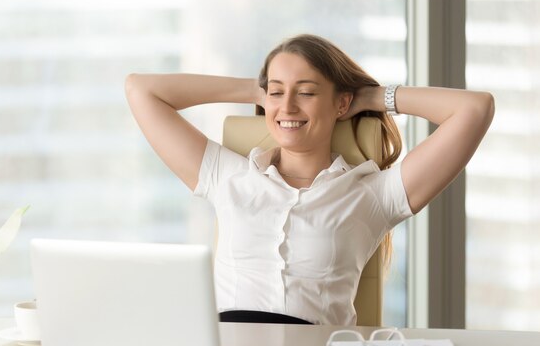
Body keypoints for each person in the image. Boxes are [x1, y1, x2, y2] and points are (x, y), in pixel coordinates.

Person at [125, 34, 494, 326]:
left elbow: (474, 109)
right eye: (276, 92)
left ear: (340, 104)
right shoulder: (228, 176)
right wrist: (254, 89)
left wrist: (372, 97)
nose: (287, 108)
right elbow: (140, 89)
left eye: (306, 92)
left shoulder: (374, 195)